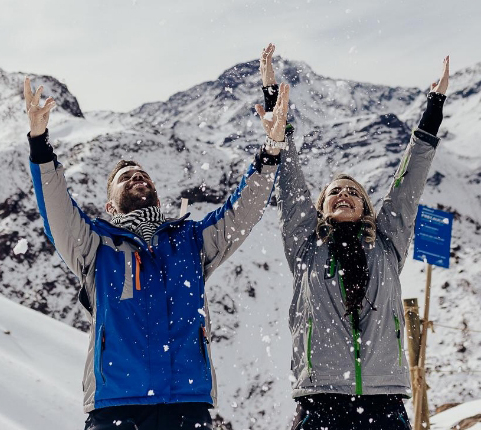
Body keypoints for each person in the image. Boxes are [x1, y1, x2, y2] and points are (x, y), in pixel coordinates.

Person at [23, 77, 290, 430]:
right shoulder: (95, 245)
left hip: (186, 403)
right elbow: (57, 210)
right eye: (126, 178)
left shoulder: (190, 240)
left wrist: (271, 150)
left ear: (158, 196)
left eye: (143, 176)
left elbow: (241, 212)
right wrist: (40, 144)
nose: (138, 179)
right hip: (117, 406)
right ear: (110, 204)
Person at [257, 44, 449, 430]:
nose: (344, 194)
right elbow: (290, 180)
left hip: (384, 397)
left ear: (366, 208)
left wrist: (434, 108)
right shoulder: (305, 246)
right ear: (320, 207)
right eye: (334, 192)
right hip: (320, 397)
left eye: (353, 192)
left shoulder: (386, 244)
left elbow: (408, 184)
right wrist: (275, 104)